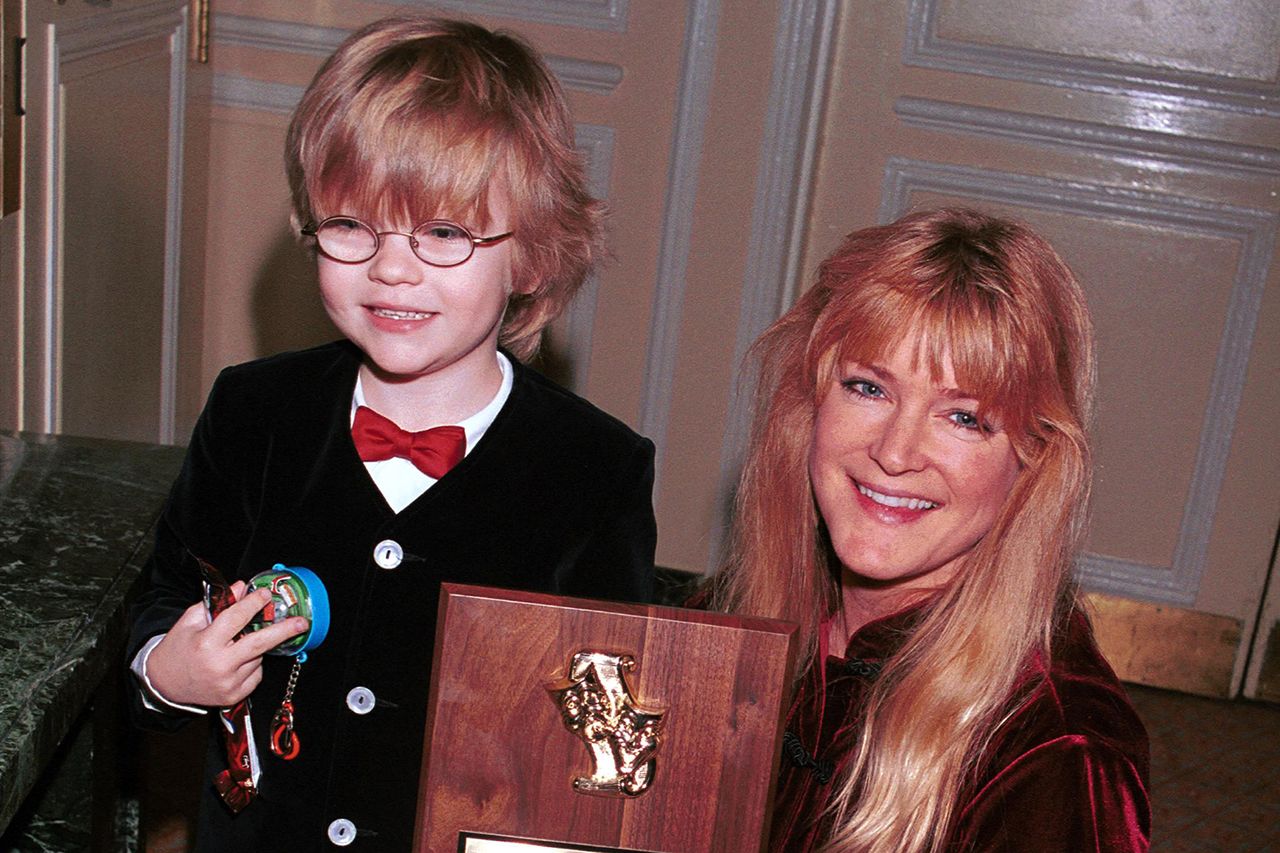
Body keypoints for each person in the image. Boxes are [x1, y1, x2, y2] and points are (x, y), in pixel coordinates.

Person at [127, 16, 656, 852]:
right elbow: (163, 594)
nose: (392, 267)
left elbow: (608, 733)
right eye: (350, 225)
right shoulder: (253, 412)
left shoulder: (597, 470)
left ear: (531, 254)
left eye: (444, 232)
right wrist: (166, 671)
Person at [711, 208, 1150, 851]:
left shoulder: (1057, 751)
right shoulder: (728, 625)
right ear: (809, 406)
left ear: (1032, 459)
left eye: (965, 419)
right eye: (867, 387)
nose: (895, 452)